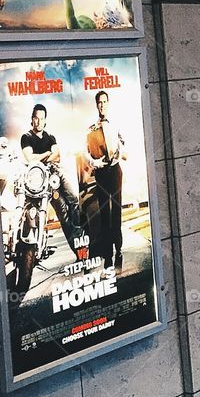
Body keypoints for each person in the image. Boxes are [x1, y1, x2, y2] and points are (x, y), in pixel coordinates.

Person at [20, 103, 84, 252]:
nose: (39, 122)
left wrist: (43, 157)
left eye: (41, 119)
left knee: (74, 198)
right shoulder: (26, 137)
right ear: (32, 119)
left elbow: (58, 155)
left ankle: (77, 230)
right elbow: (30, 159)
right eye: (36, 118)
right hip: (41, 180)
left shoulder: (50, 137)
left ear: (45, 121)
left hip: (56, 173)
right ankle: (76, 248)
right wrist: (47, 154)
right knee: (62, 213)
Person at [86, 91, 126, 268]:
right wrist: (95, 162)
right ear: (96, 105)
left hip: (115, 171)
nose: (102, 105)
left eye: (104, 102)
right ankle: (107, 254)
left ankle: (119, 248)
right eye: (99, 102)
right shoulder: (91, 129)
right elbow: (86, 153)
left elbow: (123, 144)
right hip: (102, 173)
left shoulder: (116, 124)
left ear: (108, 103)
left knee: (116, 210)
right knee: (104, 212)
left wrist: (120, 152)